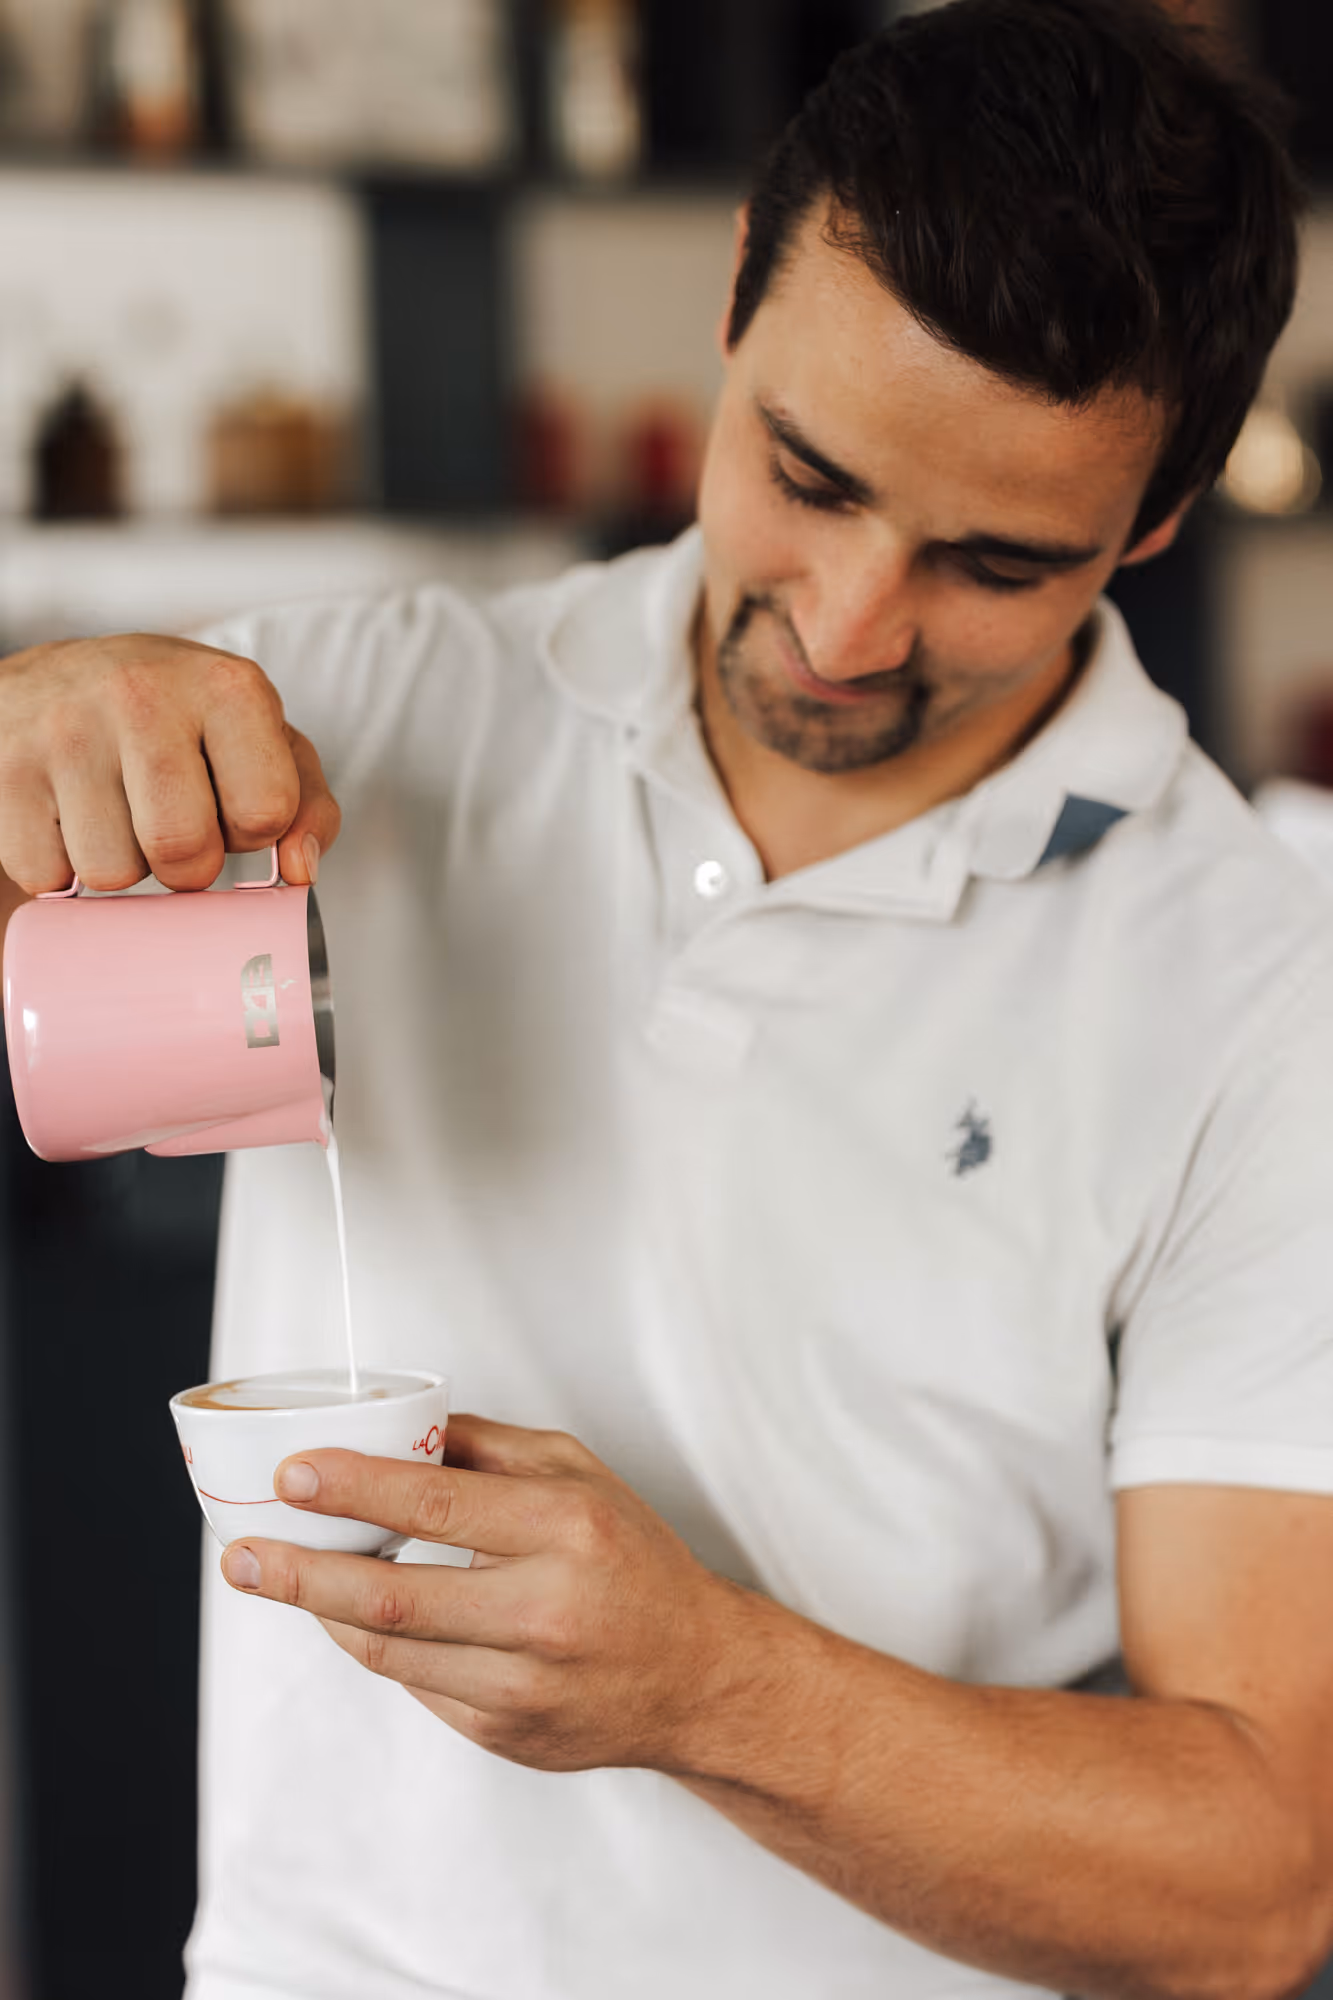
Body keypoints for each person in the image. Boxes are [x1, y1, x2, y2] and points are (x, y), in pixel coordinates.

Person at [1, 1, 1331, 1994]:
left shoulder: (1260, 978)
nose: (849, 622)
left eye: (992, 558)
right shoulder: (358, 710)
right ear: (731, 298)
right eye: (809, 473)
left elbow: (1254, 1886)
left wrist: (708, 1681)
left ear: (1152, 524)